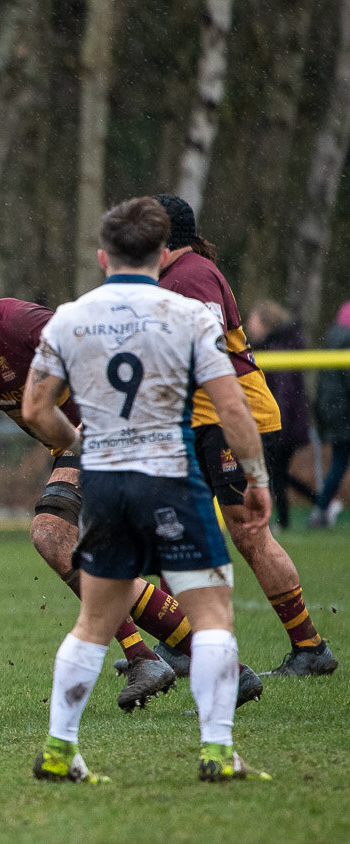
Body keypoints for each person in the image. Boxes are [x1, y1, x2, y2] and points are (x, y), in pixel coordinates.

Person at [0, 252, 260, 712]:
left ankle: (155, 658)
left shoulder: (19, 323)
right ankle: (209, 667)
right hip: (80, 446)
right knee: (94, 557)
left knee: (52, 535)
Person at [26, 196, 272, 783]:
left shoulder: (70, 317)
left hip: (106, 482)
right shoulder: (188, 315)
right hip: (171, 475)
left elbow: (37, 407)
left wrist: (81, 444)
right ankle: (217, 754)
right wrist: (256, 478)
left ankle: (60, 752)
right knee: (211, 615)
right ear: (163, 253)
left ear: (101, 255)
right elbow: (234, 408)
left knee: (93, 621)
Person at [154, 194, 337, 677]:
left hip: (230, 419)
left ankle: (310, 647)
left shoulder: (191, 275)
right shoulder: (173, 274)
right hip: (201, 420)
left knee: (248, 533)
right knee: (176, 526)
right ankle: (179, 641)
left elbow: (208, 358)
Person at [243, 301, 317, 530]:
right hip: (286, 421)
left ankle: (285, 521)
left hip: (283, 423)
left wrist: (277, 425)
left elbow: (284, 393)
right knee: (278, 473)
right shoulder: (276, 346)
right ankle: (321, 502)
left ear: (265, 322)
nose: (249, 326)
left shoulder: (279, 349)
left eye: (253, 321)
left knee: (275, 473)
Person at [310, 301, 350, 528]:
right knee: (339, 463)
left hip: (333, 412)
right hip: (343, 414)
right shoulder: (346, 341)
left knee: (338, 463)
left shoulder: (332, 339)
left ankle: (321, 509)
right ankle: (321, 509)